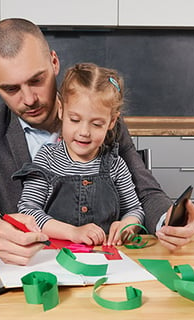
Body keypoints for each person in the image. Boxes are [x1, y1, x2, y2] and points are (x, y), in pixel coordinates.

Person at [0, 18, 194, 265]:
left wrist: (169, 220)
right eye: (12, 89)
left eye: (36, 80)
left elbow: (145, 191)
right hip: (29, 269)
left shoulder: (101, 118)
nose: (29, 99)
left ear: (53, 62)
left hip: (107, 265)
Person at [13, 63, 145, 246]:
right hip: (54, 257)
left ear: (112, 121)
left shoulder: (115, 164)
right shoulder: (47, 159)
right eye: (75, 120)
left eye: (97, 124)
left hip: (106, 258)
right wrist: (72, 232)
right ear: (61, 110)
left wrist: (127, 226)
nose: (84, 132)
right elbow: (28, 211)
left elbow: (134, 210)